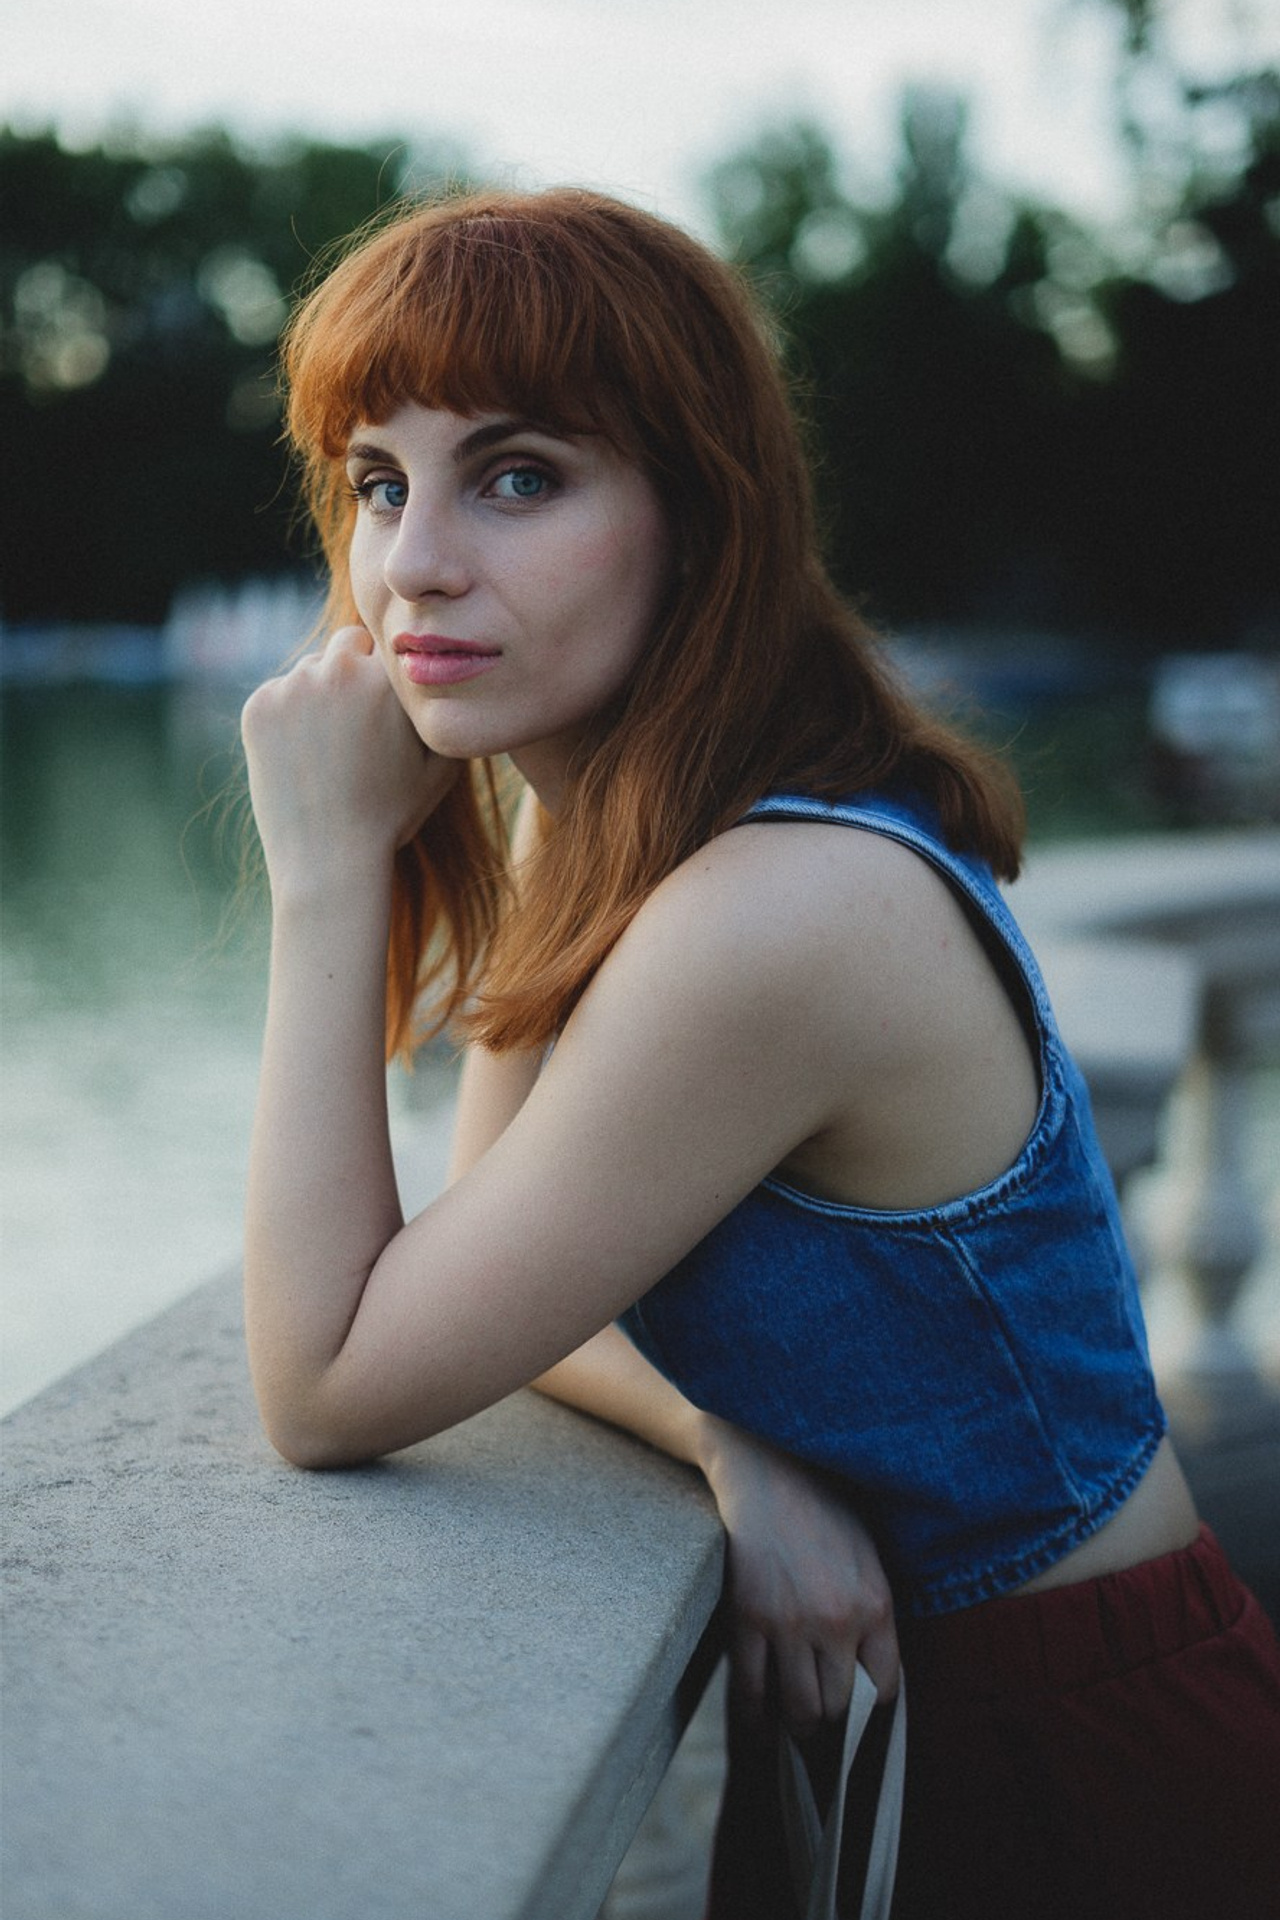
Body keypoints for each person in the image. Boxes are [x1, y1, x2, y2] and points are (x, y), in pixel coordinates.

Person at [240, 187, 1280, 1918]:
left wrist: (329, 872)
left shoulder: (777, 914)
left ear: (698, 515)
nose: (413, 561)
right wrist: (726, 1442)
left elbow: (331, 1379)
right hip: (913, 1719)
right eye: (377, 481)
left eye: (518, 477)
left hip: (1081, 1766)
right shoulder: (623, 832)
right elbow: (501, 1275)